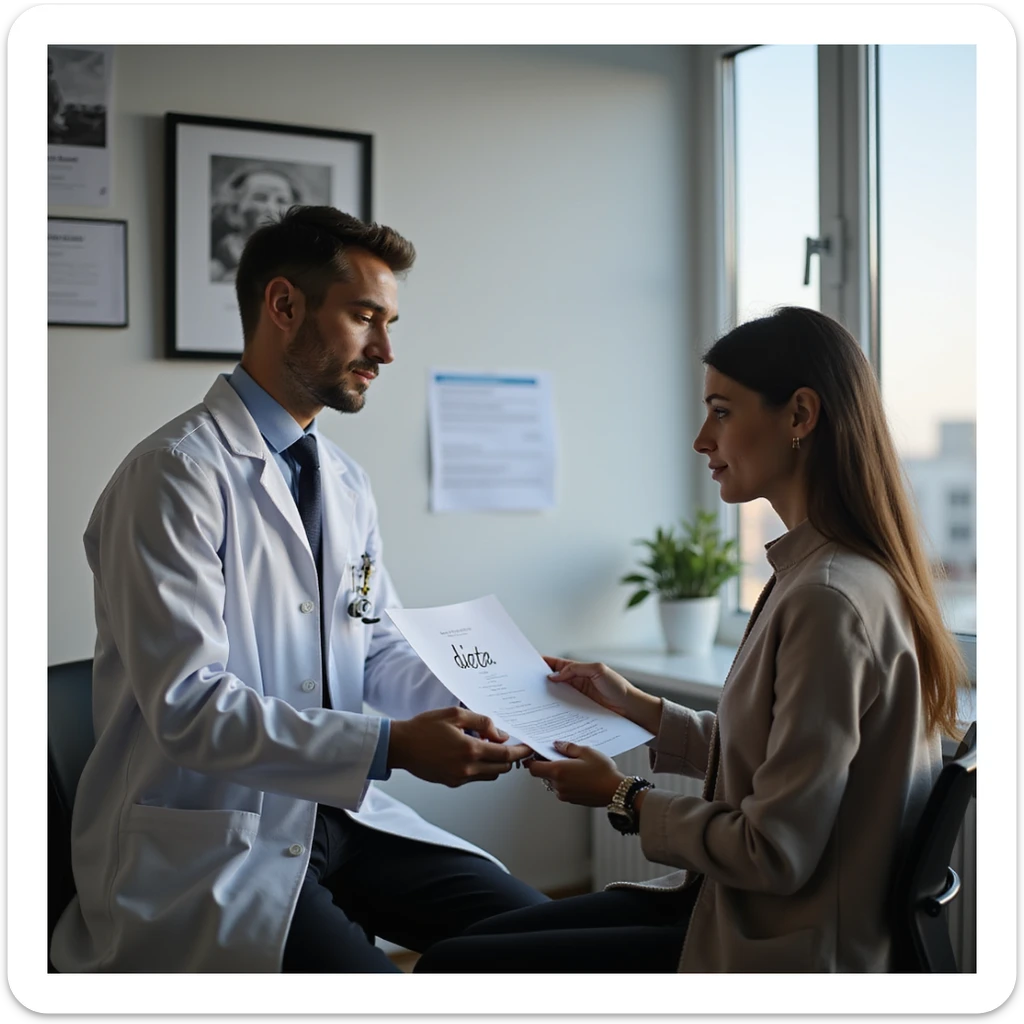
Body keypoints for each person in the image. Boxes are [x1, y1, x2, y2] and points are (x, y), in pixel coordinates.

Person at [49, 205, 549, 974]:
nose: (384, 350)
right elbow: (189, 708)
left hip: (337, 811)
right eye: (364, 318)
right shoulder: (174, 476)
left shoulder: (343, 481)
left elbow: (372, 642)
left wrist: (495, 701)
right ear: (284, 306)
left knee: (544, 937)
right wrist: (391, 747)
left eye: (389, 323)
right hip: (215, 838)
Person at [415, 305, 968, 973]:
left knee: (456, 966)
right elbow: (783, 764)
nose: (701, 439)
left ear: (799, 416)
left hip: (782, 948)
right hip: (731, 907)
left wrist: (623, 797)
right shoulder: (833, 573)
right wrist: (636, 707)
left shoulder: (827, 598)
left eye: (722, 411)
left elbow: (776, 850)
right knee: (460, 953)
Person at [210, 165, 303, 283]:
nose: (271, 208)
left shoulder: (303, 267)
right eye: (260, 198)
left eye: (282, 201)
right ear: (234, 210)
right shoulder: (215, 271)